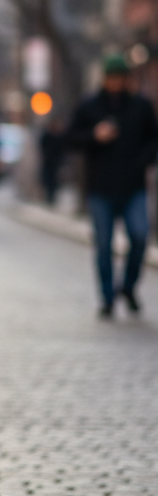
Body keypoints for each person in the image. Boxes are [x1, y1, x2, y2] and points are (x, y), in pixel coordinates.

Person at [67, 54, 158, 317]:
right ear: (105, 79)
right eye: (112, 78)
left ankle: (128, 287)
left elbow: (153, 139)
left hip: (134, 186)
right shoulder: (90, 106)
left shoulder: (141, 106)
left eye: (121, 78)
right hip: (100, 188)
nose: (116, 83)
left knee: (140, 236)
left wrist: (143, 160)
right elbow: (71, 138)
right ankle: (107, 298)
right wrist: (94, 135)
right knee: (104, 245)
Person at [39, 117, 67, 205]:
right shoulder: (47, 136)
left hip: (55, 162)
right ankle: (48, 196)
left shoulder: (59, 137)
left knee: (54, 181)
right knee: (48, 180)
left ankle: (52, 197)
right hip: (48, 162)